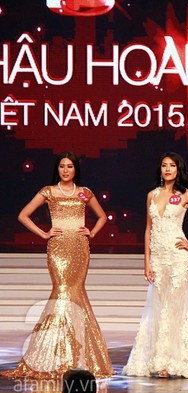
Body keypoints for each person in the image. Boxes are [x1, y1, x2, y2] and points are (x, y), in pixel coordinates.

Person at [0, 151, 113, 379]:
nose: (65, 170)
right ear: (57, 169)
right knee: (61, 293)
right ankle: (54, 356)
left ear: (75, 169)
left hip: (80, 248)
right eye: (62, 166)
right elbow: (23, 215)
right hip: (58, 250)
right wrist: (44, 233)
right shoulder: (48, 191)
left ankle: (77, 355)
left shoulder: (84, 192)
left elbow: (102, 216)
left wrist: (91, 232)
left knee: (77, 294)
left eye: (69, 166)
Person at [123, 152, 188, 378]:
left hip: (178, 256)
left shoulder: (186, 194)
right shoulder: (152, 195)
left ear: (178, 169)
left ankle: (173, 361)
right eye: (164, 165)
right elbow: (148, 229)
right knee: (159, 307)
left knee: (175, 308)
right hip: (158, 258)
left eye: (172, 165)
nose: (167, 169)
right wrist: (146, 261)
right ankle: (159, 360)